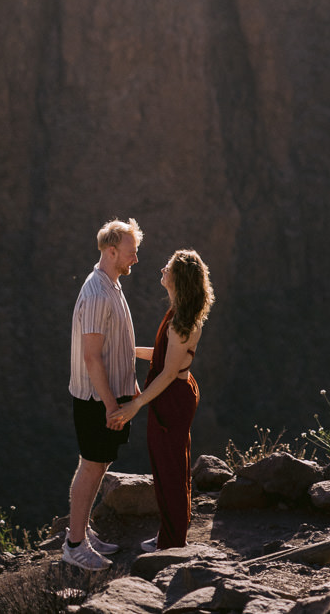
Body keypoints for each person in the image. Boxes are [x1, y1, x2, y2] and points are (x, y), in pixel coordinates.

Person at [107, 249, 214, 550]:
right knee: (168, 465)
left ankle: (171, 542)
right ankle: (169, 532)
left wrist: (136, 404)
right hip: (172, 395)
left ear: (178, 279)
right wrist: (130, 351)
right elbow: (166, 358)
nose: (162, 269)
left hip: (172, 399)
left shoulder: (181, 324)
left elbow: (168, 373)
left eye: (168, 268)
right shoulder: (179, 315)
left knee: (170, 469)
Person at [64, 217, 143, 570]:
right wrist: (113, 405)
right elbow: (91, 357)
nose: (135, 260)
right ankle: (75, 544)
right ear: (111, 252)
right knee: (92, 465)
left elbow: (116, 345)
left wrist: (131, 387)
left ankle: (81, 530)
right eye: (131, 253)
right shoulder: (97, 293)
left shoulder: (111, 284)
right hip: (98, 399)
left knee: (97, 464)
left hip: (111, 395)